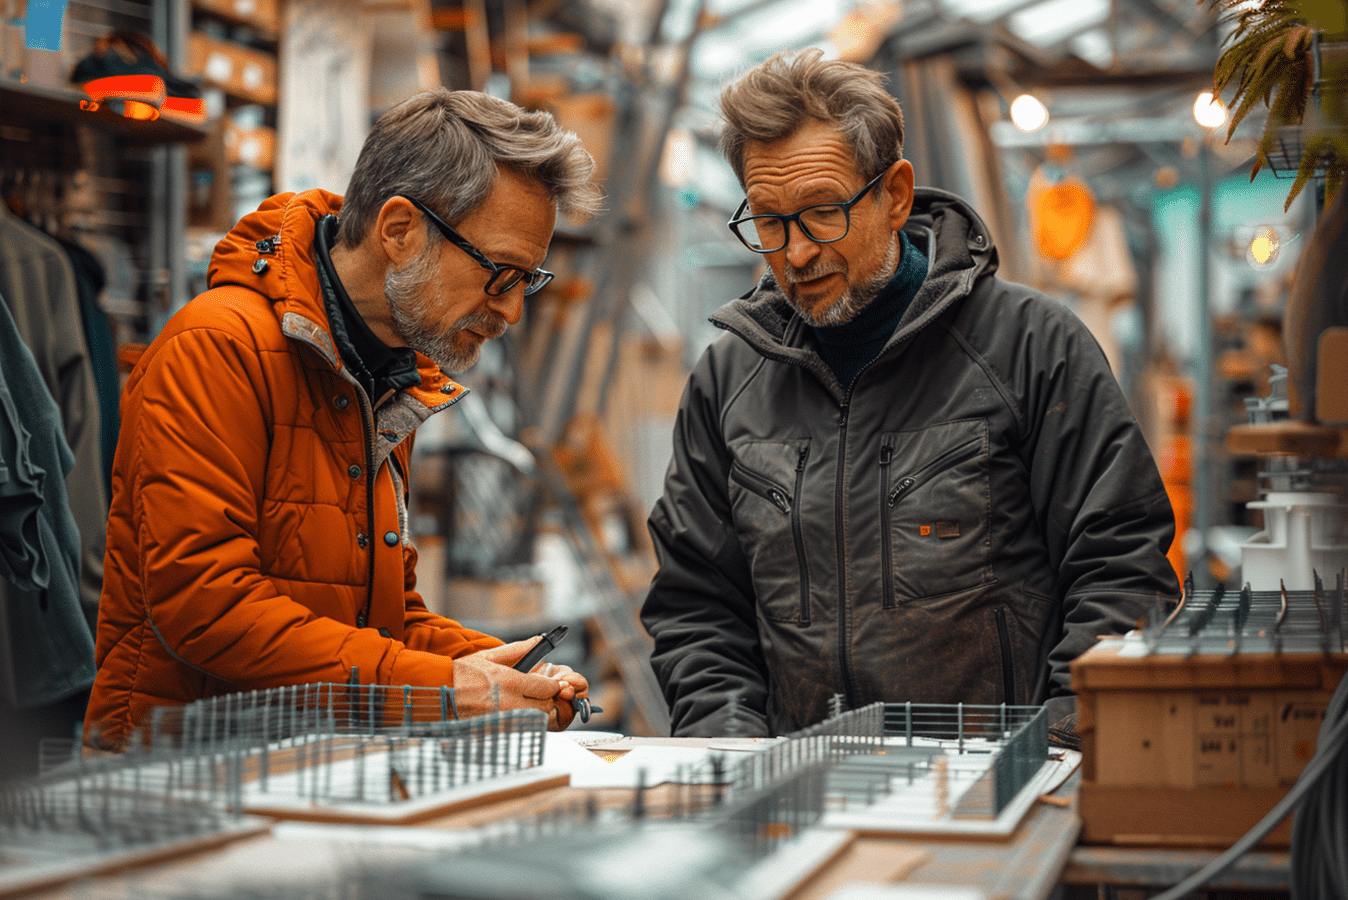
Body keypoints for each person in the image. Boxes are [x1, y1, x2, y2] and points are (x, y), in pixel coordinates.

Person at [640, 50, 1180, 738]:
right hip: (797, 795)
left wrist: (1062, 750)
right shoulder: (728, 380)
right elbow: (698, 605)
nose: (797, 254)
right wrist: (731, 752)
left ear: (894, 195)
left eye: (821, 213)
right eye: (770, 222)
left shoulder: (1031, 346)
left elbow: (1120, 567)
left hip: (1001, 795)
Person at [84, 89, 601, 751]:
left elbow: (381, 618)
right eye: (499, 274)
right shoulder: (217, 349)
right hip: (175, 785)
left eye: (527, 281)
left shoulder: (385, 376)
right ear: (398, 230)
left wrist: (499, 668)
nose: (510, 311)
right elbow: (207, 607)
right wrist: (446, 689)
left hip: (305, 775)